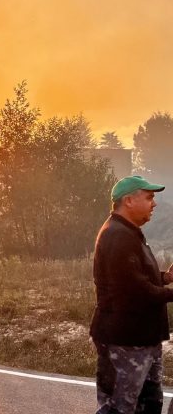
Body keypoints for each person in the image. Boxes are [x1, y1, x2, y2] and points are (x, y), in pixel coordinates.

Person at [90, 175, 173, 414]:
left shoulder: (128, 232)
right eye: (149, 198)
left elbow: (134, 276)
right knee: (119, 408)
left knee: (149, 404)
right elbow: (137, 291)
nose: (154, 204)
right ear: (128, 200)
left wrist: (166, 278)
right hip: (124, 340)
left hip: (143, 338)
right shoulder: (118, 236)